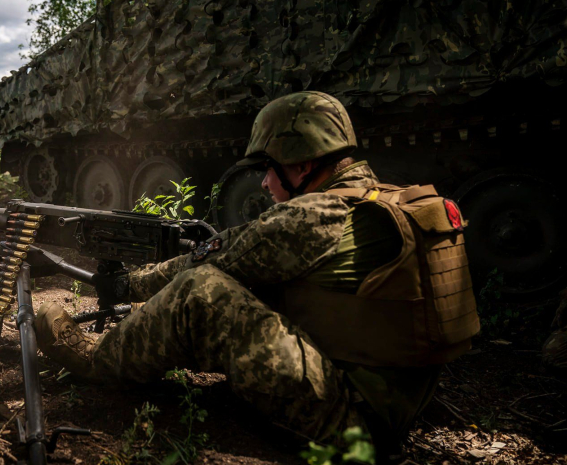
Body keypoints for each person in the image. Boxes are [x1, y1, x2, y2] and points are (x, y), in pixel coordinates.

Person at [34, 91, 481, 461]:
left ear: (303, 165)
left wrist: (128, 285)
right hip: (395, 402)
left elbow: (209, 262)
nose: (265, 184)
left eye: (270, 168)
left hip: (354, 423)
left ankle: (97, 362)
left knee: (200, 291)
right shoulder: (389, 198)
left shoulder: (316, 214)